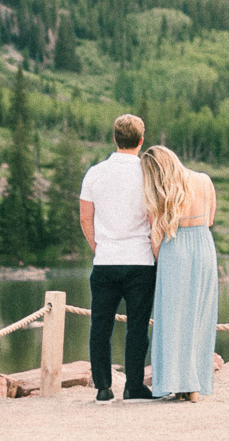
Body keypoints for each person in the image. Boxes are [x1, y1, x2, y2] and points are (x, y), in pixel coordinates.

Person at [78, 114, 156, 402]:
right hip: (140, 261)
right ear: (141, 140)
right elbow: (153, 217)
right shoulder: (147, 174)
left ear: (114, 138)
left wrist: (99, 248)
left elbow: (86, 218)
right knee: (137, 326)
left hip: (106, 260)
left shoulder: (95, 173)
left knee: (100, 325)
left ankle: (103, 387)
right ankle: (133, 385)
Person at [142, 144, 219, 401]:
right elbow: (209, 219)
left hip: (175, 248)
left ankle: (180, 384)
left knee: (173, 320)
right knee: (199, 317)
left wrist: (157, 260)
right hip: (204, 246)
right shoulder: (204, 180)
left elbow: (156, 236)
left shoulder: (161, 192)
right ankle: (194, 384)